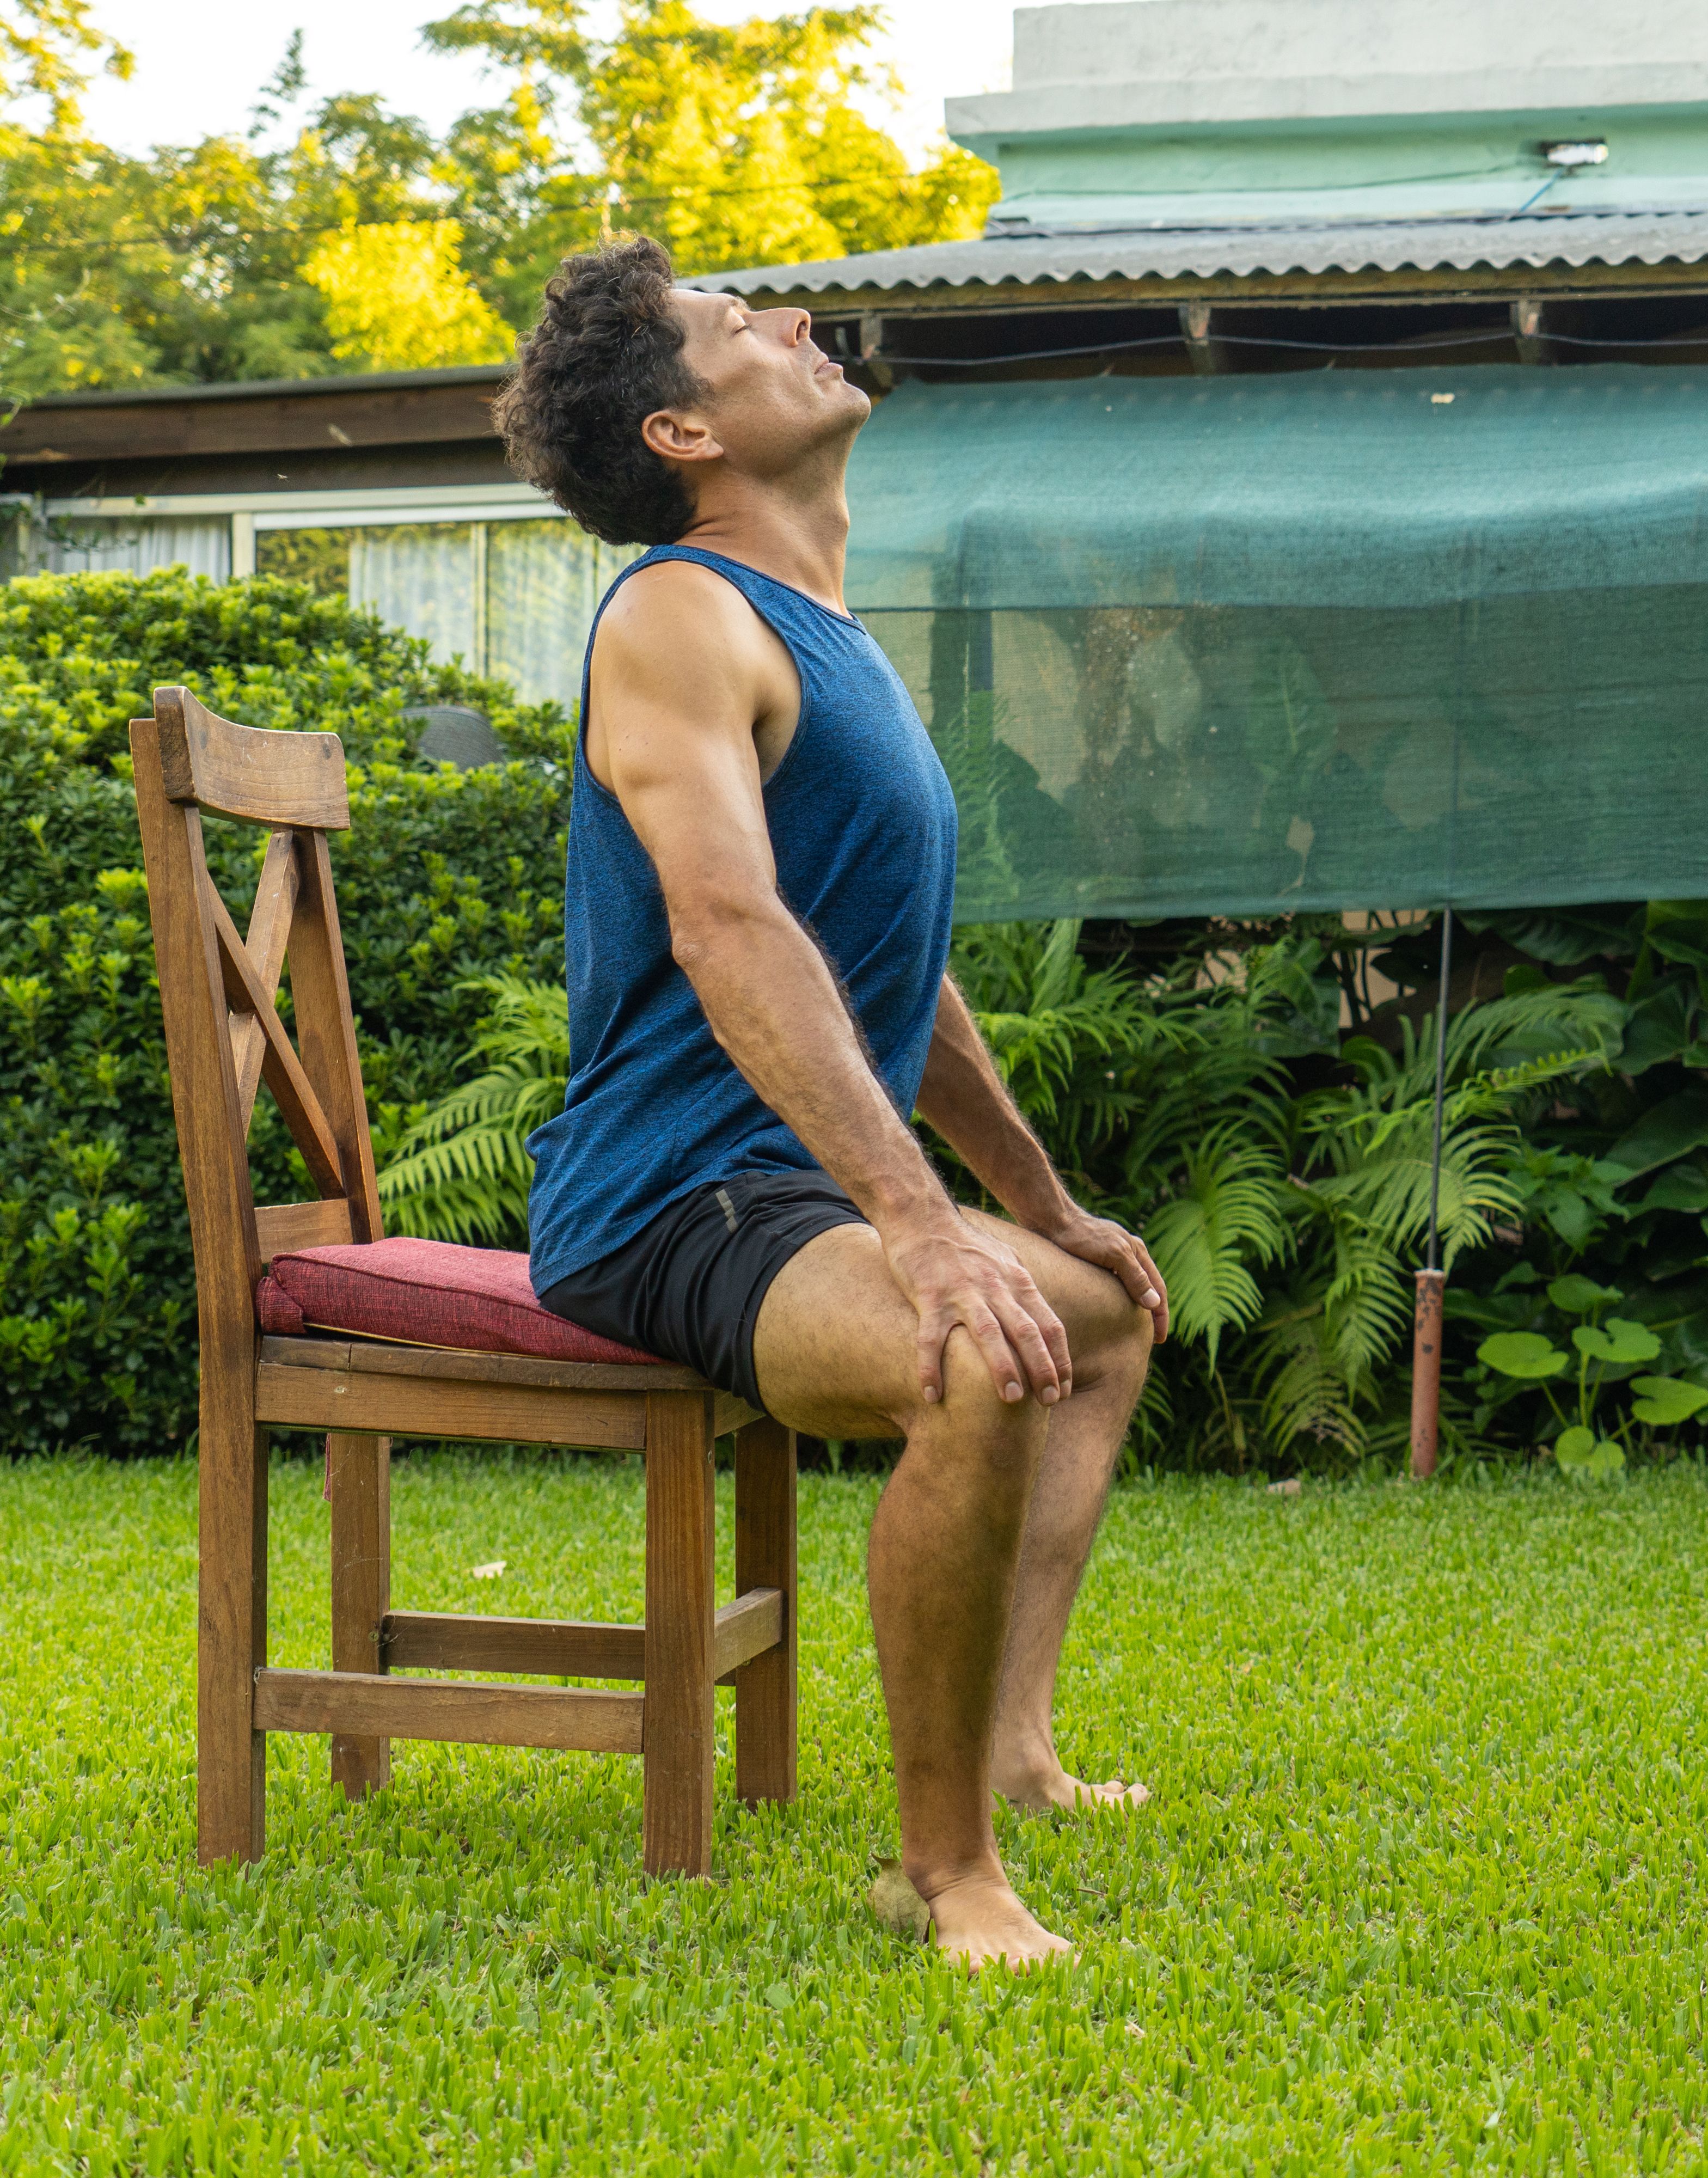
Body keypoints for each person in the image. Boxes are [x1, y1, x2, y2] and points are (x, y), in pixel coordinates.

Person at [495, 236, 1170, 1969]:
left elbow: (888, 978)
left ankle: (1012, 1754)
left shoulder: (822, 638)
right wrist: (924, 1235)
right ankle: (943, 1874)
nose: (797, 325)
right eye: (739, 329)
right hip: (675, 1191)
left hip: (791, 1186)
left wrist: (1032, 1201)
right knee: (976, 1347)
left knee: (1096, 1312)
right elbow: (731, 928)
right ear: (682, 435)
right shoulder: (674, 619)